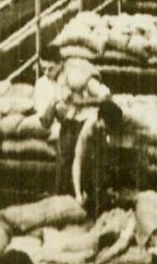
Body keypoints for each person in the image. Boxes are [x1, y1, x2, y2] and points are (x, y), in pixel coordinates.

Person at [35, 52, 111, 195]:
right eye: (43, 68)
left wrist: (80, 101)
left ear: (60, 63)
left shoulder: (77, 75)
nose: (46, 73)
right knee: (65, 158)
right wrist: (53, 103)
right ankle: (65, 199)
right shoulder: (43, 84)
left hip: (87, 120)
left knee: (89, 159)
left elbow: (106, 97)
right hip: (67, 124)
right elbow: (45, 122)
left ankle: (92, 199)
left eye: (50, 68)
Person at [72, 97, 150, 218]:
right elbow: (78, 159)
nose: (107, 130)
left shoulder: (128, 118)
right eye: (105, 127)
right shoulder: (89, 128)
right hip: (102, 149)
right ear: (99, 119)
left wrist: (130, 142)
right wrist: (77, 193)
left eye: (110, 128)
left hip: (125, 143)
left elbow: (147, 130)